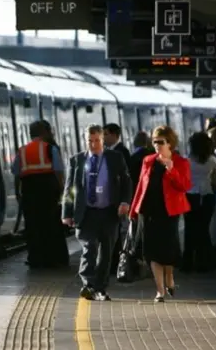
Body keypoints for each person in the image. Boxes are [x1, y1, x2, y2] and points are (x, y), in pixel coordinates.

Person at [62, 124, 132, 301]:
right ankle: (88, 284)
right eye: (89, 141)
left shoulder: (115, 158)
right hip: (86, 213)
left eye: (97, 140)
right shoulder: (77, 160)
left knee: (106, 251)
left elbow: (126, 182)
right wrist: (66, 212)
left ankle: (100, 288)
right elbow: (70, 189)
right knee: (89, 246)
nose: (93, 145)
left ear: (102, 140)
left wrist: (125, 202)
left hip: (108, 212)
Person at [129, 125, 191, 303]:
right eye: (154, 141)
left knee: (168, 250)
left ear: (170, 143)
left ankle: (170, 277)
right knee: (152, 251)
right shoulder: (148, 160)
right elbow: (141, 186)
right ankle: (160, 291)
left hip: (169, 212)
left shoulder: (181, 162)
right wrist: (134, 210)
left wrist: (171, 169)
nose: (156, 145)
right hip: (149, 211)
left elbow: (185, 186)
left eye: (160, 142)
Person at [12, 121, 65, 268]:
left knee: (32, 227)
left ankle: (35, 258)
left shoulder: (22, 151)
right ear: (44, 132)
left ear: (31, 133)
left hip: (29, 192)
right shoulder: (50, 148)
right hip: (49, 192)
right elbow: (58, 171)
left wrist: (18, 193)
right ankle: (53, 258)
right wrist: (62, 190)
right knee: (50, 225)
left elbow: (17, 173)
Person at [182, 132, 216, 273]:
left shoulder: (187, 161)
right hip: (207, 197)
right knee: (204, 229)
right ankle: (205, 262)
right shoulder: (212, 160)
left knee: (190, 230)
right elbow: (215, 181)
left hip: (190, 197)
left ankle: (188, 262)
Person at [39, 120, 70, 266]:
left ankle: (47, 258)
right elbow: (59, 173)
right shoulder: (51, 148)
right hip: (52, 193)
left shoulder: (47, 148)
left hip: (42, 195)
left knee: (46, 229)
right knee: (55, 228)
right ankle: (59, 258)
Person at [103, 123, 132, 274]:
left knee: (119, 233)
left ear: (115, 135)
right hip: (112, 200)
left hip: (119, 201)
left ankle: (117, 263)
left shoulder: (121, 152)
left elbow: (126, 179)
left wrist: (124, 200)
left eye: (106, 134)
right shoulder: (110, 152)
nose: (104, 137)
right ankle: (113, 262)